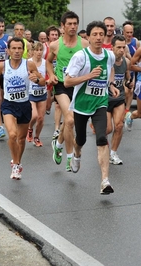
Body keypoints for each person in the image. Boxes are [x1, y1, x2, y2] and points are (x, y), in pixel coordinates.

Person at [64, 20, 119, 194]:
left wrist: (111, 85)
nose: (98, 37)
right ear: (88, 37)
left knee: (102, 138)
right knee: (81, 140)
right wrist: (88, 76)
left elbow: (110, 70)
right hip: (81, 104)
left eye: (101, 34)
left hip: (100, 102)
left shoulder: (109, 55)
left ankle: (105, 181)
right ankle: (77, 154)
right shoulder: (81, 56)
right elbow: (67, 81)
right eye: (94, 34)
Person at [0, 37, 46, 180]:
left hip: (24, 105)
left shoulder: (29, 65)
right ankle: (15, 164)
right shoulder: (3, 66)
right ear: (8, 50)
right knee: (12, 135)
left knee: (21, 139)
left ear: (23, 50)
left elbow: (43, 82)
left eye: (19, 48)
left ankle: (18, 161)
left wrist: (37, 80)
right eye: (14, 48)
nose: (16, 51)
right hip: (9, 104)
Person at [47, 11, 89, 172]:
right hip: (62, 85)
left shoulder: (84, 44)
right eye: (69, 24)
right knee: (70, 120)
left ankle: (58, 144)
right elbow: (49, 62)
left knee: (69, 121)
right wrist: (51, 75)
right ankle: (70, 157)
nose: (72, 27)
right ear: (62, 27)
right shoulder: (55, 45)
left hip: (78, 86)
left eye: (75, 24)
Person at [107, 35, 131, 165]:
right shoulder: (106, 60)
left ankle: (113, 153)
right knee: (107, 129)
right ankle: (103, 148)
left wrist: (129, 83)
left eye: (123, 47)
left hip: (119, 97)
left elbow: (127, 77)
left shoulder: (126, 62)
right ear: (112, 48)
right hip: (105, 98)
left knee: (119, 125)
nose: (121, 50)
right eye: (119, 47)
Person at [26, 42, 47, 147]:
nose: (39, 52)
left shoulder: (45, 63)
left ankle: (37, 137)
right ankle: (30, 129)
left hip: (42, 92)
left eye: (41, 50)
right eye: (37, 50)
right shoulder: (28, 62)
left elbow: (49, 76)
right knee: (34, 116)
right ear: (33, 51)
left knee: (41, 118)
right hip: (30, 93)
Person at [122, 21, 140, 115]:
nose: (129, 34)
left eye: (131, 32)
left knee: (130, 90)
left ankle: (126, 111)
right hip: (121, 70)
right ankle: (122, 107)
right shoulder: (120, 41)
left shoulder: (135, 41)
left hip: (132, 70)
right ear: (123, 32)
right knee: (125, 91)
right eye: (127, 32)